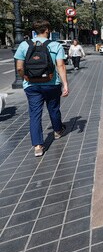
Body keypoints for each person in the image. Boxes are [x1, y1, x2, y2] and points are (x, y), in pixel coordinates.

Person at [14, 20, 69, 157]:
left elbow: (19, 67)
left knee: (34, 114)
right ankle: (57, 131)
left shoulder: (23, 45)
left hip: (31, 86)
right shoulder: (55, 45)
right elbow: (61, 66)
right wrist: (65, 84)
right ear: (47, 30)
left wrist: (25, 78)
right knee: (54, 108)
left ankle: (38, 146)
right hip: (51, 83)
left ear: (34, 31)